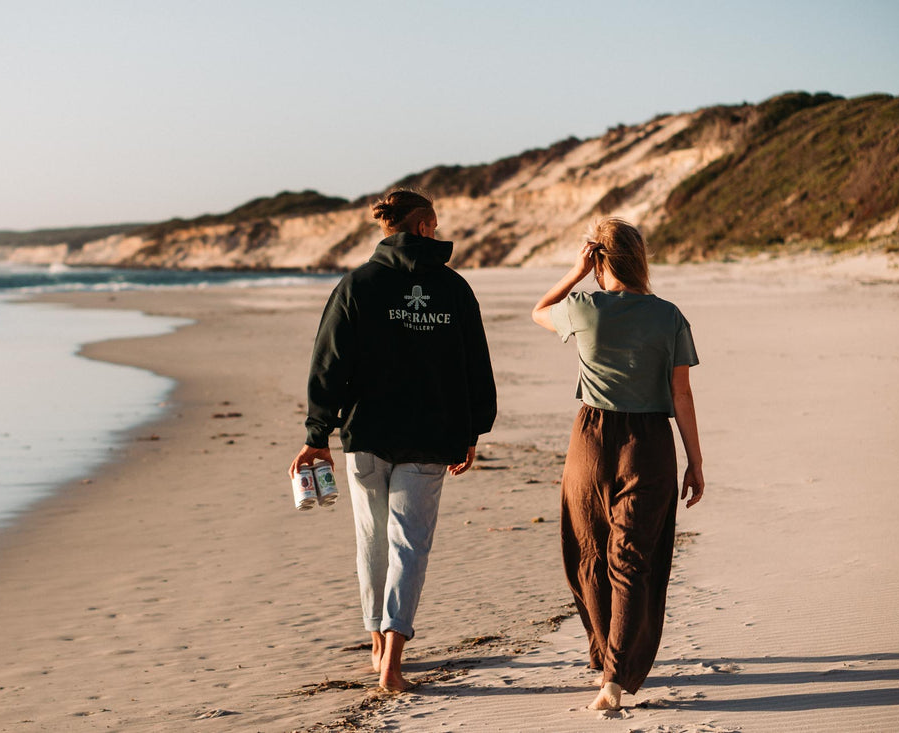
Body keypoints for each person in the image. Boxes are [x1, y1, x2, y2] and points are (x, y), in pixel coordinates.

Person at [290, 189, 497, 692]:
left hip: (367, 434)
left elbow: (328, 364)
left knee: (371, 540)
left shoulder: (357, 284)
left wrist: (318, 434)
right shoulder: (453, 289)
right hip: (429, 436)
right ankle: (392, 662)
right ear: (424, 226)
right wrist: (472, 430)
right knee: (410, 545)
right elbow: (475, 366)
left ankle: (378, 646)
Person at [531, 218, 704, 711]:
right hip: (649, 443)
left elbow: (539, 310)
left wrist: (575, 271)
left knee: (590, 552)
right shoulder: (669, 315)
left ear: (598, 260)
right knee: (631, 559)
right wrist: (695, 460)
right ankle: (614, 674)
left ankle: (607, 660)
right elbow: (682, 393)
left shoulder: (584, 306)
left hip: (590, 440)